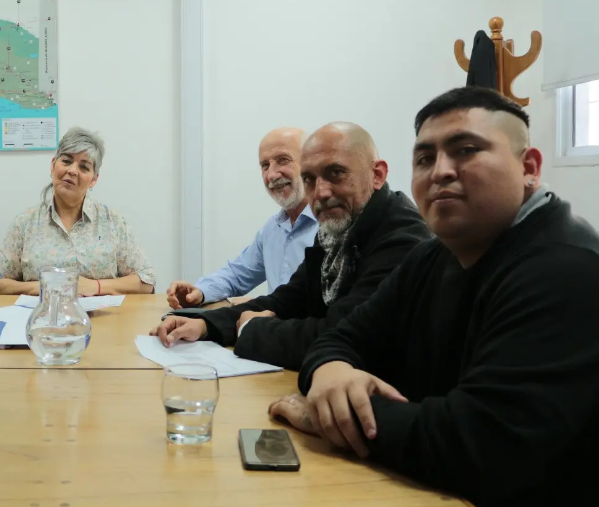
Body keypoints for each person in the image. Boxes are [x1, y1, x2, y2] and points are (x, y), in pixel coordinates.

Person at [269, 87, 599, 506]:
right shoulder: (434, 254)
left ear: (529, 167)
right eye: (425, 158)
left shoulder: (566, 269)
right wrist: (330, 370)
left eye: (466, 150)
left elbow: (480, 443)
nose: (440, 171)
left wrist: (331, 413)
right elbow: (341, 337)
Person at [151, 122, 430, 371]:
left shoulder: (401, 237)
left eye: (336, 173)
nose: (320, 192)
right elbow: (288, 299)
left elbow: (346, 335)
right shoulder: (337, 228)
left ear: (377, 174)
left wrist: (251, 329)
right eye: (309, 179)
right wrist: (205, 325)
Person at [0, 127, 155, 296]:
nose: (73, 171)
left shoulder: (113, 222)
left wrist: (95, 287)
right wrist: (42, 287)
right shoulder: (24, 222)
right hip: (43, 318)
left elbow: (146, 281)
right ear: (53, 166)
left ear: (94, 179)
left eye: (84, 167)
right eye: (66, 161)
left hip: (104, 319)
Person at [166, 127, 318, 309]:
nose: (271, 175)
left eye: (283, 160)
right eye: (265, 166)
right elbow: (238, 274)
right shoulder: (273, 228)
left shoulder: (333, 227)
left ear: (310, 164)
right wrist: (199, 292)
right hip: (273, 332)